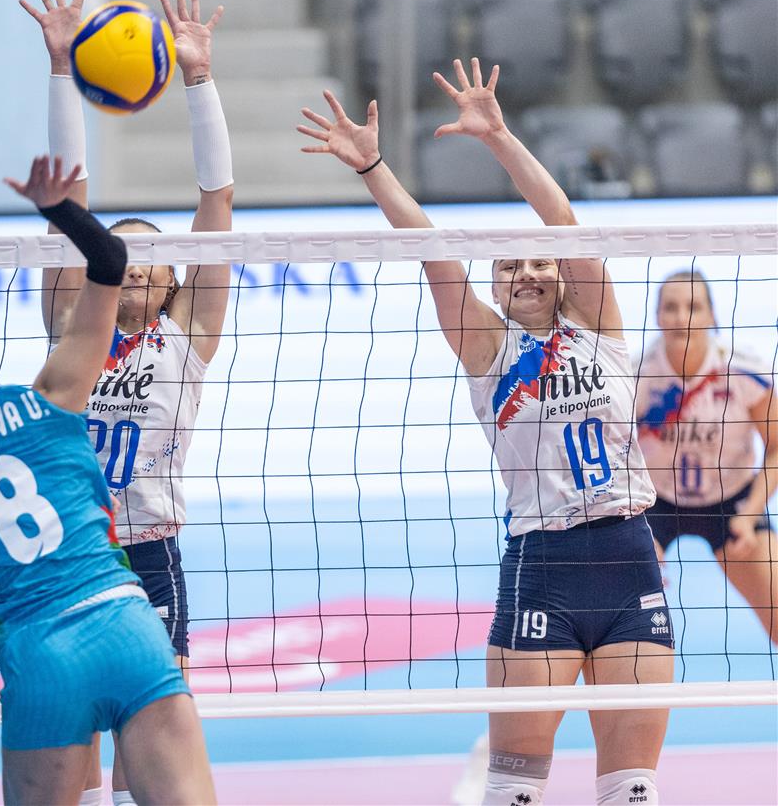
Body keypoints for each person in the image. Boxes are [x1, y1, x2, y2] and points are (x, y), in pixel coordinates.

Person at [298, 59, 674, 805]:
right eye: (509, 266)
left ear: (562, 276)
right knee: (515, 789)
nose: (526, 272)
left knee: (633, 789)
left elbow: (560, 217)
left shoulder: (601, 327)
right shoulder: (487, 348)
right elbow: (433, 253)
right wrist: (372, 167)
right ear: (496, 284)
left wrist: (499, 137)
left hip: (629, 557)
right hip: (543, 562)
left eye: (539, 263)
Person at [0, 154, 216, 805]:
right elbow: (109, 261)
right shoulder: (45, 400)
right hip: (125, 621)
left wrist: (20, 644)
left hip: (39, 654)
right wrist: (56, 208)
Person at [22, 0, 233, 805]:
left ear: (176, 277)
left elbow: (216, 202)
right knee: (66, 747)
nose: (136, 265)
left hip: (149, 551)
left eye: (153, 257)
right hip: (67, 553)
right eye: (123, 253)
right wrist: (61, 68)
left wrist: (198, 77)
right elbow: (69, 200)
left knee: (150, 749)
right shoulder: (72, 328)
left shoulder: (189, 334)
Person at [635, 269, 778, 644]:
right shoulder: (635, 375)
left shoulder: (742, 370)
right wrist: (632, 530)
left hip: (732, 500)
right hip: (655, 502)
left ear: (712, 315)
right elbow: (615, 454)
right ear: (656, 316)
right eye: (670, 307)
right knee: (617, 620)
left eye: (693, 307)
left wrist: (750, 515)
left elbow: (777, 445)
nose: (681, 317)